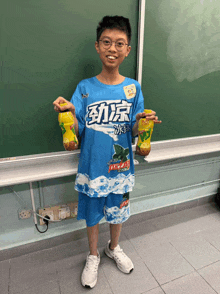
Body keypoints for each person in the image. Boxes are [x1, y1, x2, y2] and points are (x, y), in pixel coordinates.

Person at [53, 15, 162, 289]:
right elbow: (77, 128)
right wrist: (67, 114)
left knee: (118, 211)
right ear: (97, 46)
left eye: (120, 44)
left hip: (121, 166)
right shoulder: (85, 88)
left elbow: (134, 130)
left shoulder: (133, 88)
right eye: (107, 42)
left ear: (127, 50)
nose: (112, 48)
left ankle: (113, 248)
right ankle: (92, 255)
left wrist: (144, 123)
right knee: (92, 213)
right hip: (92, 166)